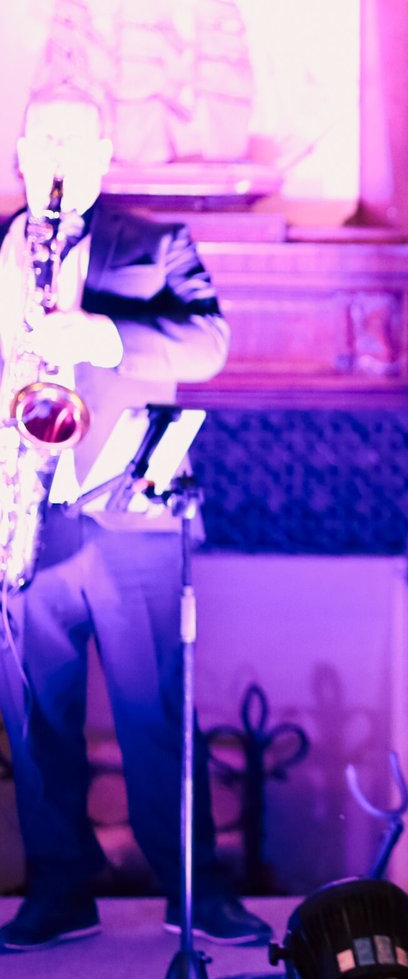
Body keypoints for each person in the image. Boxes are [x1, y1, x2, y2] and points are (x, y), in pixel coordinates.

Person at [0, 87, 270, 951]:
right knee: (35, 722)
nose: (55, 153)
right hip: (21, 511)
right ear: (20, 151)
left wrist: (100, 336)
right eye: (42, 138)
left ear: (104, 156)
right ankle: (59, 890)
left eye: (73, 139)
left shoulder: (156, 243)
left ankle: (194, 887)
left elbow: (210, 342)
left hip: (127, 514)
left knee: (156, 712)